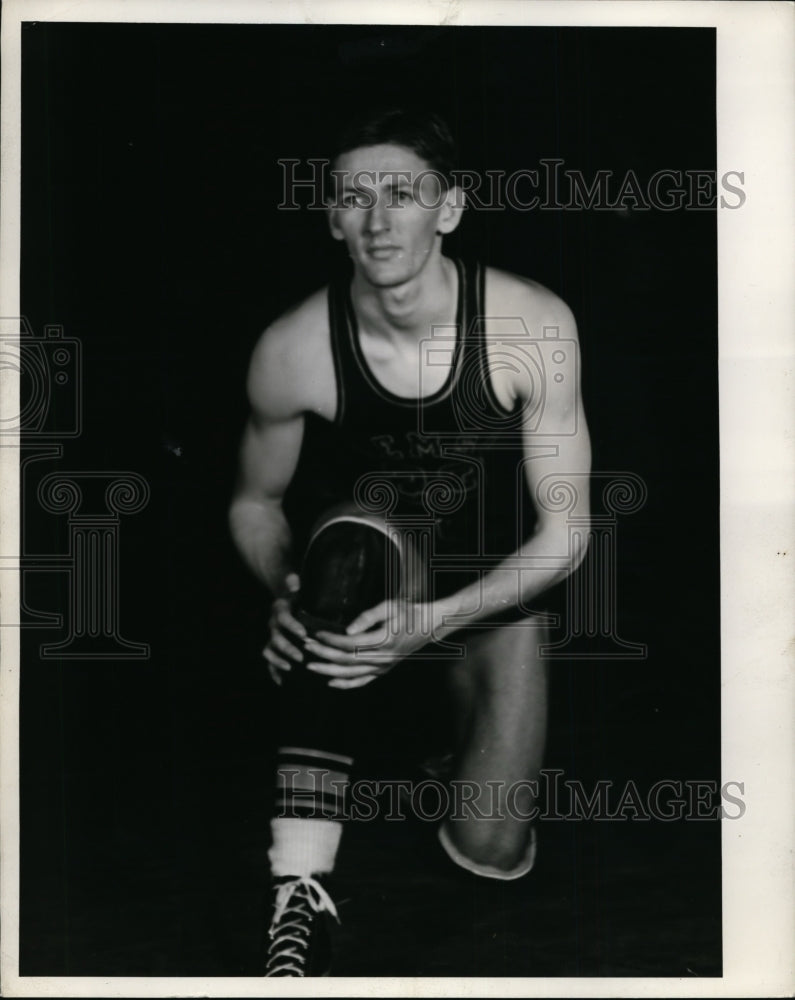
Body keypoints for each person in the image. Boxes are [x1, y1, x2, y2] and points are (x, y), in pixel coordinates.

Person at [228, 108, 591, 976]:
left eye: (403, 193)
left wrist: (436, 625)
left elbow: (566, 528)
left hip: (495, 586)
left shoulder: (528, 327)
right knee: (345, 548)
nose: (379, 219)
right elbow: (253, 502)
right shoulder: (291, 349)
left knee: (490, 848)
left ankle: (441, 728)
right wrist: (285, 589)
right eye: (355, 197)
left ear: (450, 210)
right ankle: (300, 885)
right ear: (331, 216)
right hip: (374, 563)